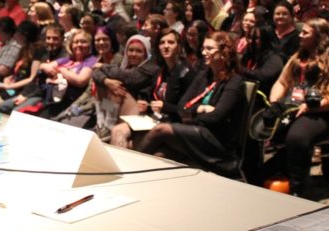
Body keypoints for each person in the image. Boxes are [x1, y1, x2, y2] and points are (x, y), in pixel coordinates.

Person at [136, 31, 248, 176]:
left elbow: (216, 117)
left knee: (161, 130)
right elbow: (183, 105)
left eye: (209, 49)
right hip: (195, 131)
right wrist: (199, 109)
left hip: (217, 140)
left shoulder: (234, 82)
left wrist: (190, 116)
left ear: (224, 52)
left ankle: (127, 167)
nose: (204, 52)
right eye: (203, 48)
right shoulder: (204, 75)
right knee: (159, 155)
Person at [264, 18, 329, 198]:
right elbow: (281, 82)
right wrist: (275, 103)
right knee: (258, 127)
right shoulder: (297, 57)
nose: (300, 35)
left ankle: (298, 188)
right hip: (292, 108)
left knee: (297, 137)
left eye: (305, 32)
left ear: (319, 36)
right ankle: (256, 173)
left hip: (322, 114)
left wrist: (315, 106)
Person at [110, 29, 195, 149]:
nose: (166, 46)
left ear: (179, 46)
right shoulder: (160, 70)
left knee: (129, 145)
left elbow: (189, 110)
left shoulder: (186, 73)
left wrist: (165, 107)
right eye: (162, 43)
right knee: (117, 130)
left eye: (171, 42)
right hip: (155, 119)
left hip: (174, 124)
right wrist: (147, 105)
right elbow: (154, 98)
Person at [91, 34, 159, 138]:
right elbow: (95, 72)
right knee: (103, 85)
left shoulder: (150, 68)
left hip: (141, 110)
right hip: (119, 108)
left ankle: (108, 128)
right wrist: (106, 81)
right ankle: (101, 124)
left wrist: (103, 66)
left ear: (145, 54)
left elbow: (130, 78)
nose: (134, 54)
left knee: (118, 89)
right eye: (130, 50)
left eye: (139, 51)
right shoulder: (124, 66)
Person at [238, 22, 283, 95]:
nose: (250, 41)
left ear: (266, 39)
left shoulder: (275, 58)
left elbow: (263, 76)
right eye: (249, 37)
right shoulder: (249, 55)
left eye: (255, 38)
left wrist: (240, 69)